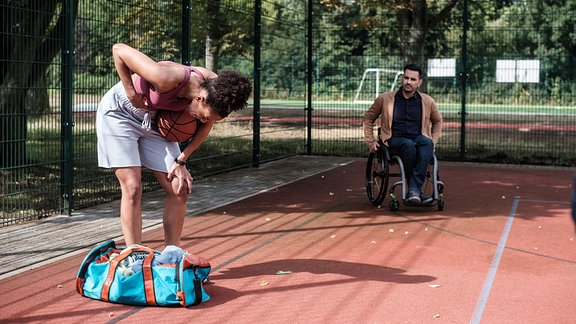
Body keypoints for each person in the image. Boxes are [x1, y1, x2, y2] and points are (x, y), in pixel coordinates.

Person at [96, 43, 252, 247]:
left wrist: (181, 160)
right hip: (121, 113)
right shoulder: (166, 77)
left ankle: (172, 254)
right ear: (199, 98)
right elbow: (118, 50)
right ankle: (134, 254)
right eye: (203, 117)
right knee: (133, 187)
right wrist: (131, 91)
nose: (203, 122)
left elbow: (206, 127)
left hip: (157, 121)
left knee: (180, 187)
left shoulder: (215, 89)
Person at [362, 63, 443, 204]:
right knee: (408, 145)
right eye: (406, 78)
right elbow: (368, 118)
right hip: (394, 140)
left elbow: (438, 122)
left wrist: (434, 141)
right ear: (402, 78)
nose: (408, 82)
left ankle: (413, 189)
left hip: (418, 137)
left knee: (427, 143)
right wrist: (371, 141)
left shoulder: (427, 101)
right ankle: (415, 189)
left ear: (419, 82)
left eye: (413, 79)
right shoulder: (385, 99)